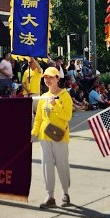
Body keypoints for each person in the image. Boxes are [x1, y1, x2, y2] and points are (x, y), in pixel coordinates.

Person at [31, 67, 73, 208]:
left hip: (60, 137)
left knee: (62, 165)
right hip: (45, 136)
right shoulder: (43, 97)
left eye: (51, 77)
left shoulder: (64, 95)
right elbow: (38, 118)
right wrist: (34, 132)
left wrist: (55, 104)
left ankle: (65, 193)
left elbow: (67, 116)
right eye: (45, 78)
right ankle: (50, 196)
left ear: (57, 79)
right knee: (46, 166)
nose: (48, 80)